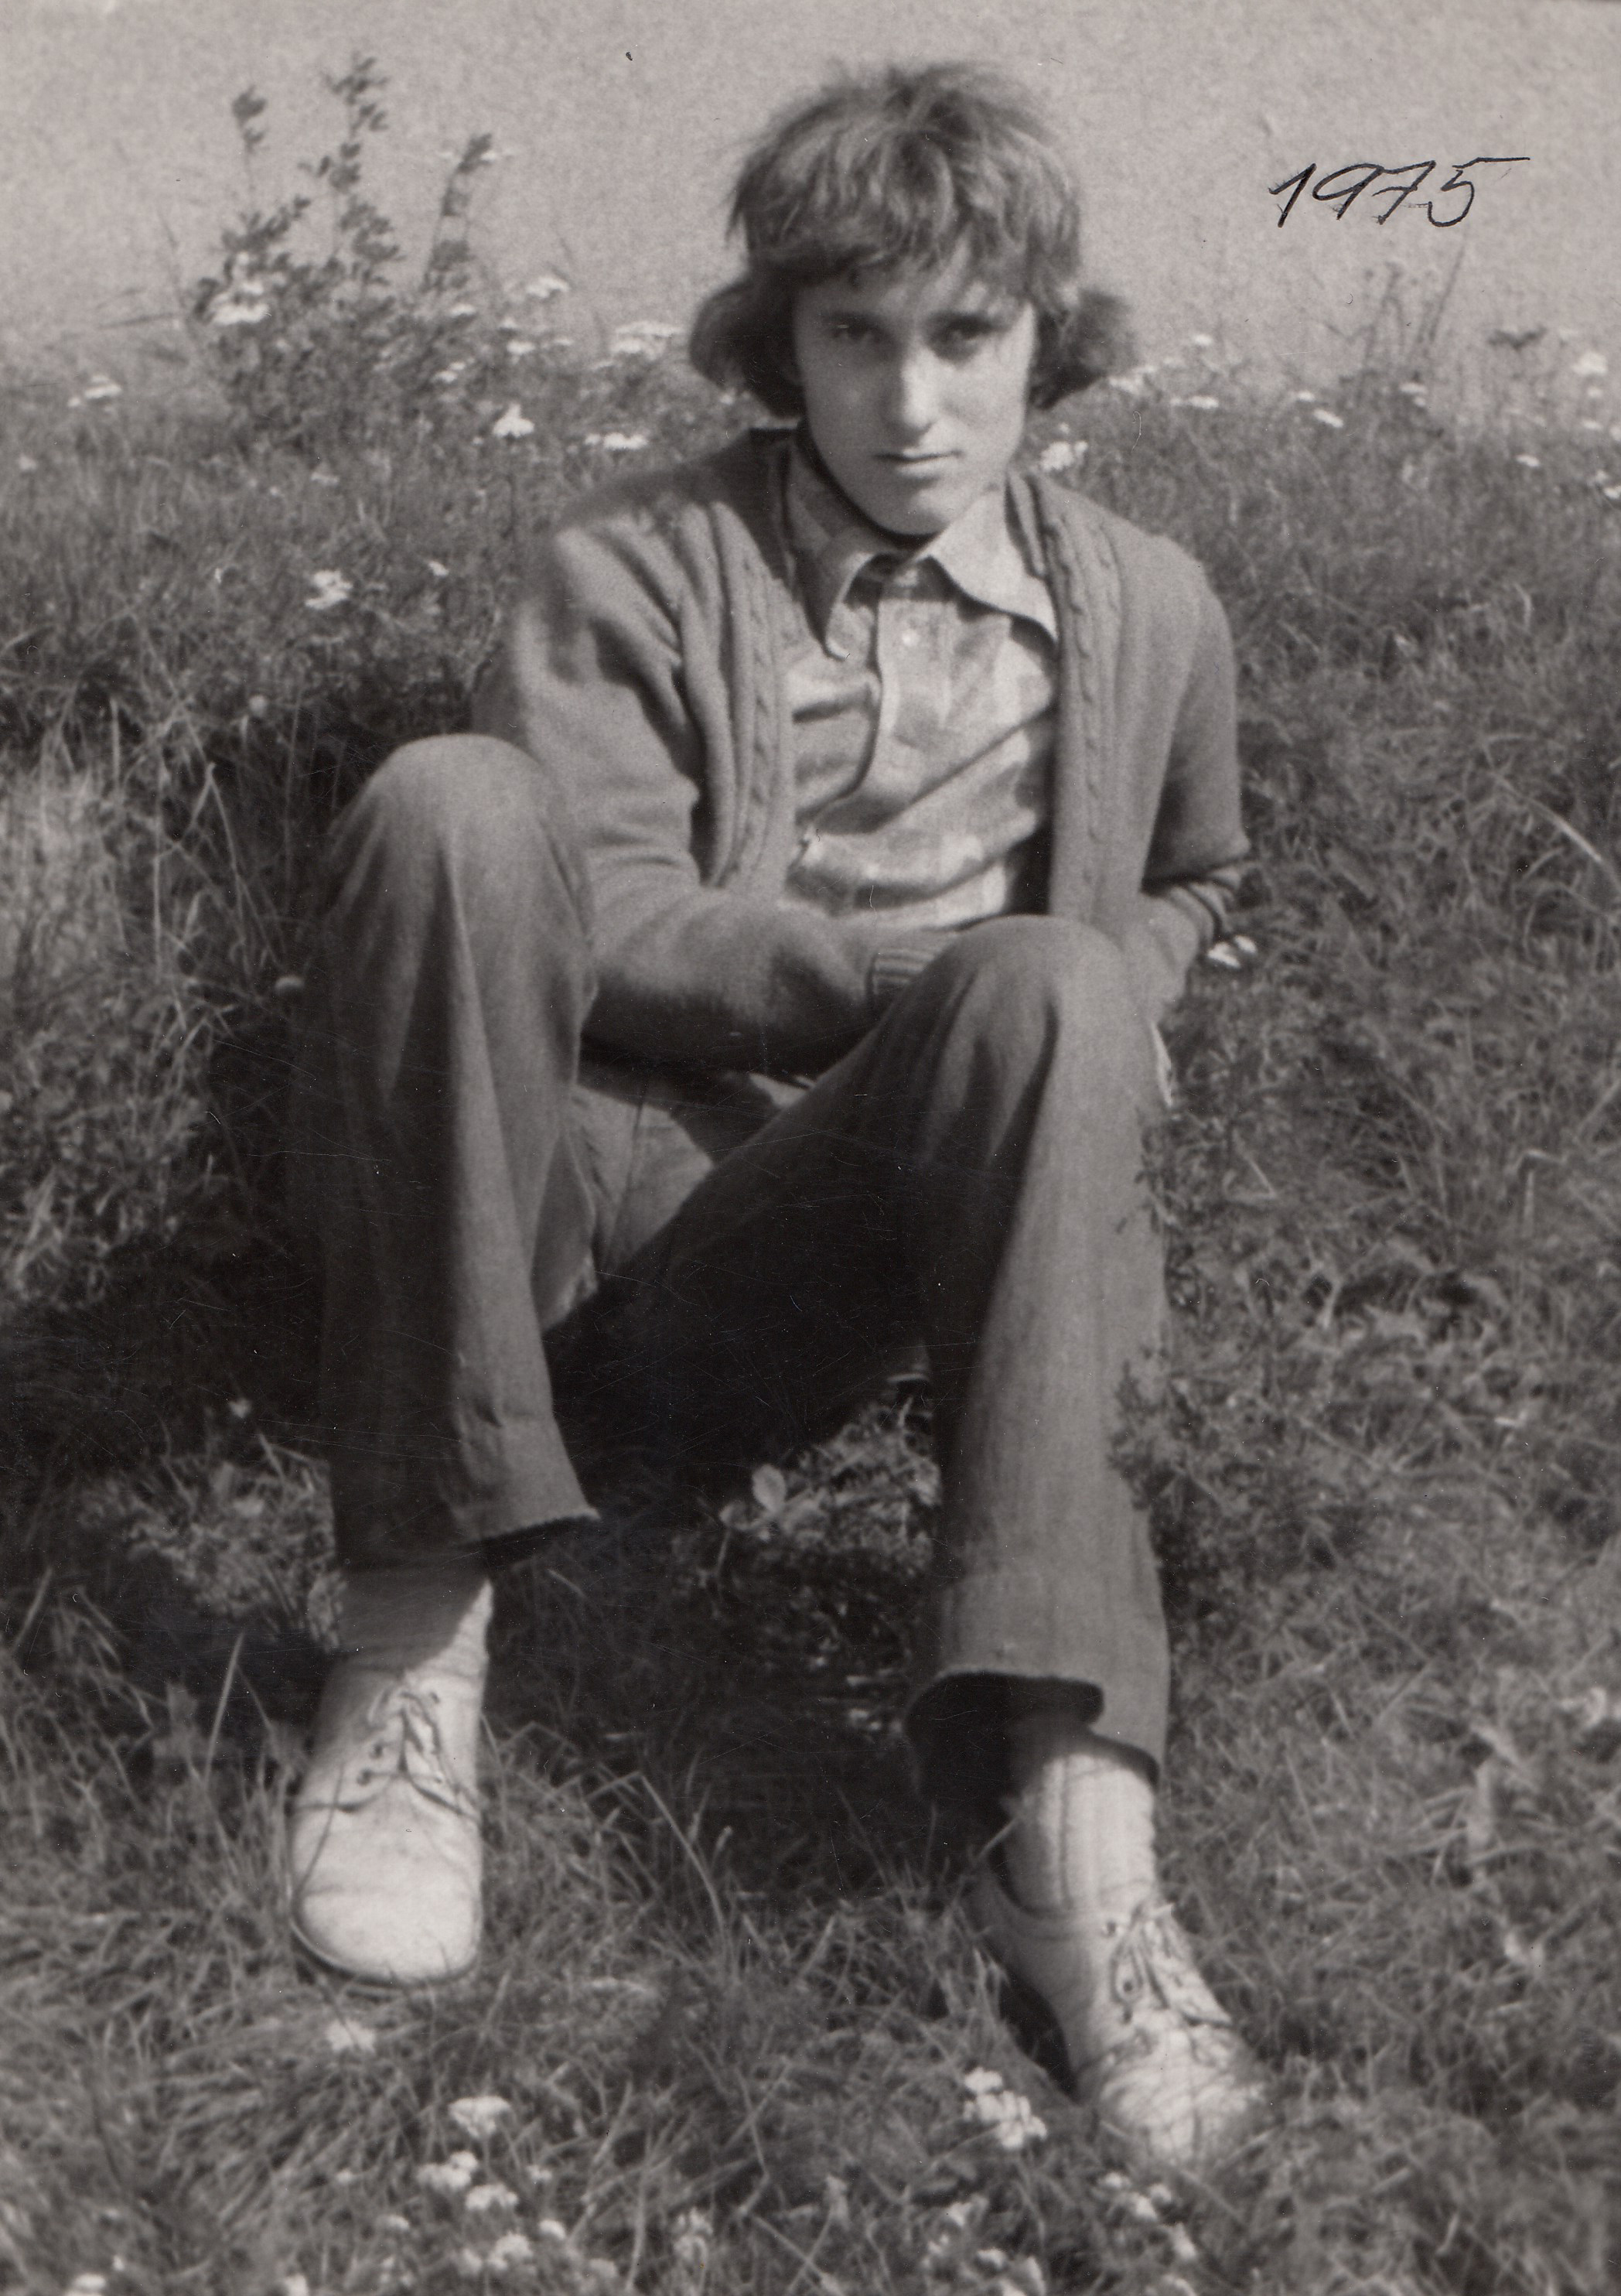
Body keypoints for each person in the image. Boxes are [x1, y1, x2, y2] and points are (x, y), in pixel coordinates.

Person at [285, 61, 1269, 2178]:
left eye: (966, 336)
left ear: (1049, 342)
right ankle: (412, 1639)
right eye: (855, 334)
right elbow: (601, 909)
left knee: (1056, 978)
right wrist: (885, 983)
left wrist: (1106, 1000)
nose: (912, 402)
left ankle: (1069, 1829)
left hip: (823, 1252)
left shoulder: (1154, 604)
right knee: (449, 805)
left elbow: (1194, 872)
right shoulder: (629, 564)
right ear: (779, 343)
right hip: (577, 1213)